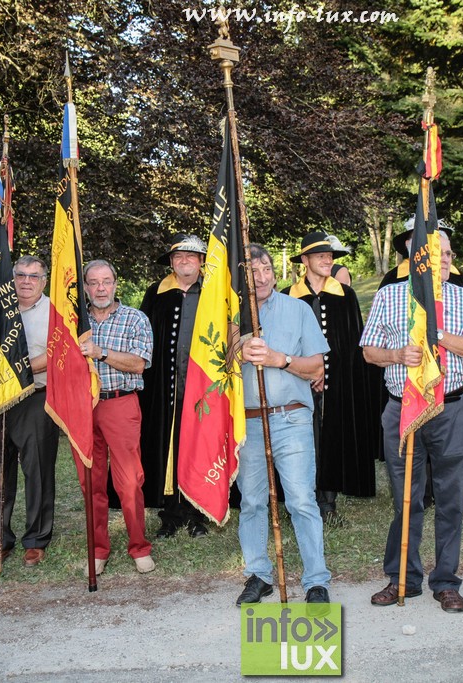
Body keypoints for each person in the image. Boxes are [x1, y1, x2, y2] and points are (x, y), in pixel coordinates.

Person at [361, 230, 463, 613]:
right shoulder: (389, 295)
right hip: (403, 409)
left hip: (451, 408)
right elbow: (368, 351)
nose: (446, 260)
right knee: (406, 499)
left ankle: (446, 582)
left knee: (451, 499)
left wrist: (438, 334)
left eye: (449, 253)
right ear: (417, 259)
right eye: (437, 254)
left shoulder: (462, 296)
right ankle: (403, 579)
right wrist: (397, 354)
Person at [234, 244, 332, 607]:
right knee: (254, 502)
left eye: (266, 269)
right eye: (252, 272)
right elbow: (210, 369)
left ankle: (316, 581)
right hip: (248, 423)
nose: (261, 278)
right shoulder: (230, 317)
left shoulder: (298, 309)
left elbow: (316, 369)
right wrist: (234, 351)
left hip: (291, 418)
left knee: (302, 501)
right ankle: (259, 575)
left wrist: (281, 359)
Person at [282, 231, 381, 522]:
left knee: (330, 438)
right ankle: (300, 501)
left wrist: (330, 373)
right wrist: (306, 371)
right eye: (321, 256)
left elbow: (351, 343)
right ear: (305, 260)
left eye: (330, 256)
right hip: (296, 381)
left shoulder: (345, 295)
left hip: (336, 384)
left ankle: (328, 503)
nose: (327, 260)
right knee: (301, 441)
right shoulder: (289, 295)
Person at [0, 255, 61, 570]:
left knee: (38, 471)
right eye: (21, 275)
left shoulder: (54, 313)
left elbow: (56, 355)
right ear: (12, 277)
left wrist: (16, 367)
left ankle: (36, 540)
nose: (26, 281)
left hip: (35, 399)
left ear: (43, 281)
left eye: (34, 276)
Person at [79, 259, 155, 576]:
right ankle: (98, 550)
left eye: (106, 281)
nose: (100, 288)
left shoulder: (135, 319)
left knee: (129, 482)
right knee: (91, 483)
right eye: (94, 282)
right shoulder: (74, 323)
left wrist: (101, 353)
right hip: (82, 409)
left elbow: (139, 364)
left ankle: (138, 547)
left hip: (120, 405)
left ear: (115, 284)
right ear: (85, 287)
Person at [138, 234, 210, 539]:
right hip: (163, 388)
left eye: (191, 257)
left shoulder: (213, 292)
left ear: (201, 262)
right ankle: (170, 514)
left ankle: (198, 514)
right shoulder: (156, 293)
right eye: (178, 257)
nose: (184, 261)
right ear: (170, 262)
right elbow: (142, 334)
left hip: (202, 388)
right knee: (165, 448)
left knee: (198, 449)